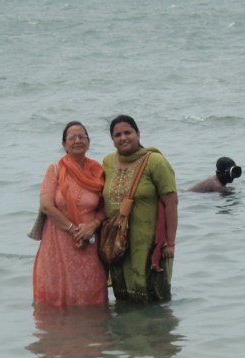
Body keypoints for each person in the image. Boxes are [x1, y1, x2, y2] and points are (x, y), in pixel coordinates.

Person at [102, 115, 178, 302]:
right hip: (118, 244)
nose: (123, 138)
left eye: (128, 132)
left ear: (138, 134)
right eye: (117, 135)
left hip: (149, 244)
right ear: (112, 140)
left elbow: (171, 203)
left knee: (152, 299)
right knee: (124, 298)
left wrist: (170, 243)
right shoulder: (108, 162)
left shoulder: (155, 161)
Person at [33, 121, 108, 308]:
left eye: (82, 136)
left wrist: (93, 225)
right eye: (72, 138)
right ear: (64, 145)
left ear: (89, 142)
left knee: (92, 297)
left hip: (89, 243)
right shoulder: (55, 170)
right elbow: (47, 206)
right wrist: (73, 230)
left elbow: (107, 206)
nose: (77, 140)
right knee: (56, 299)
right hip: (58, 242)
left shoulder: (98, 171)